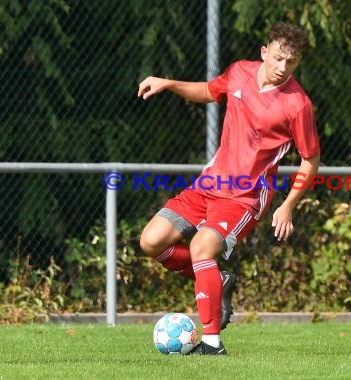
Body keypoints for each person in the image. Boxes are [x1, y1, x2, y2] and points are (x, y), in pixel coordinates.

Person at [137, 22, 320, 355]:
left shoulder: (298, 105)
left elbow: (310, 160)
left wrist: (288, 205)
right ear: (264, 52)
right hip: (210, 185)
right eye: (278, 58)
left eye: (291, 62)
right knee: (151, 241)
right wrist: (168, 83)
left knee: (202, 248)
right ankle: (214, 279)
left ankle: (211, 344)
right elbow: (209, 91)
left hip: (244, 197)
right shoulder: (238, 73)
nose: (282, 68)